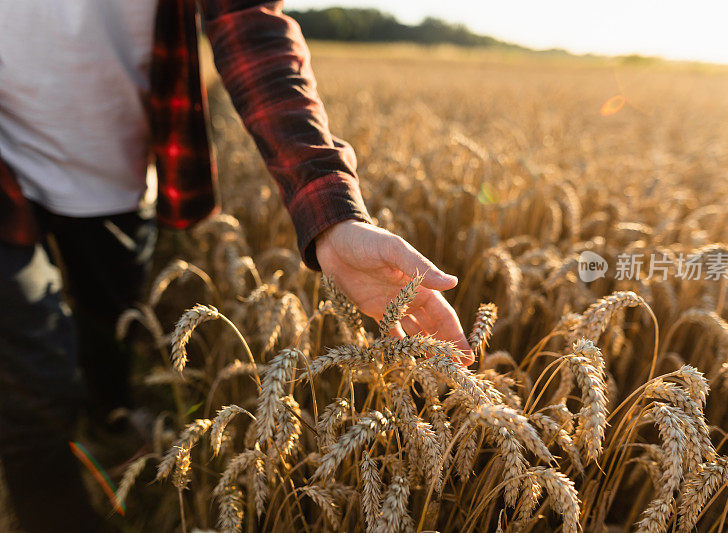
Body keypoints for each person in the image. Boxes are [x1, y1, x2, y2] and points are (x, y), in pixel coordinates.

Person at [0, 1, 472, 531]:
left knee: (109, 320)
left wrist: (332, 214)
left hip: (115, 173)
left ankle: (109, 418)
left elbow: (249, 21)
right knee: (32, 380)